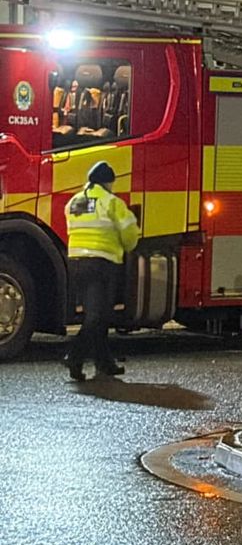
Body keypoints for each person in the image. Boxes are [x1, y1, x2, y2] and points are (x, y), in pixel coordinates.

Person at [64, 161, 140, 381]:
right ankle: (74, 356)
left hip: (77, 262)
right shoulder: (112, 202)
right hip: (102, 263)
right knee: (99, 317)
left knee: (96, 316)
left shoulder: (75, 201)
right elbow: (129, 235)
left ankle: (104, 362)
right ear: (108, 182)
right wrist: (127, 246)